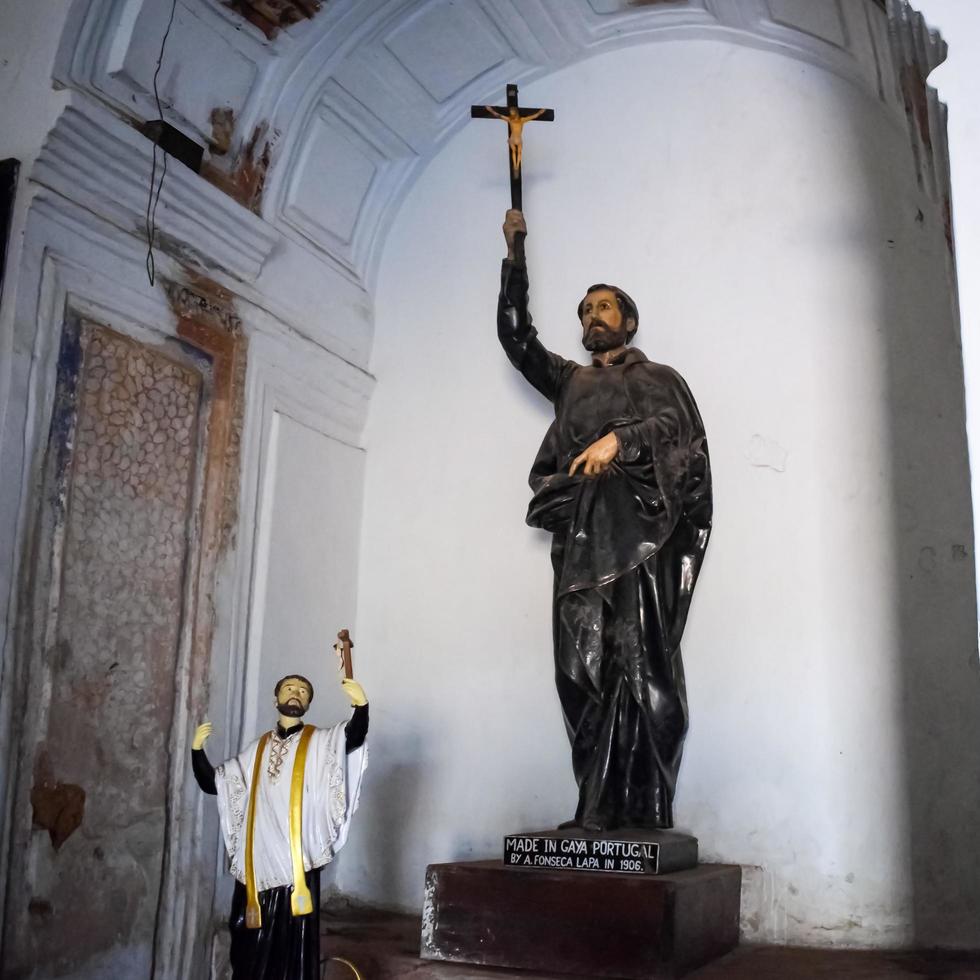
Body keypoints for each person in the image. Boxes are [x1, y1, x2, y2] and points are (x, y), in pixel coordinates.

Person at [497, 208, 712, 832]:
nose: (593, 316)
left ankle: (644, 808)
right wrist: (515, 252)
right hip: (585, 544)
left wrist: (619, 442)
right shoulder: (570, 382)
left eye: (605, 307)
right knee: (578, 671)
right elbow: (517, 340)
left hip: (642, 541)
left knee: (642, 668)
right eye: (586, 310)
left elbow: (680, 430)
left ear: (629, 320)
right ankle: (593, 807)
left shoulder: (658, 378)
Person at [192, 663, 368, 980]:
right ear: (276, 699)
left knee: (293, 943)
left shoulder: (319, 742)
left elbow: (351, 738)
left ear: (308, 702)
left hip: (295, 863)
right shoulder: (256, 750)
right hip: (257, 861)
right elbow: (215, 784)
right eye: (289, 688)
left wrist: (361, 707)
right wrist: (196, 751)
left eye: (302, 691)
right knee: (247, 942)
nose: (295, 694)